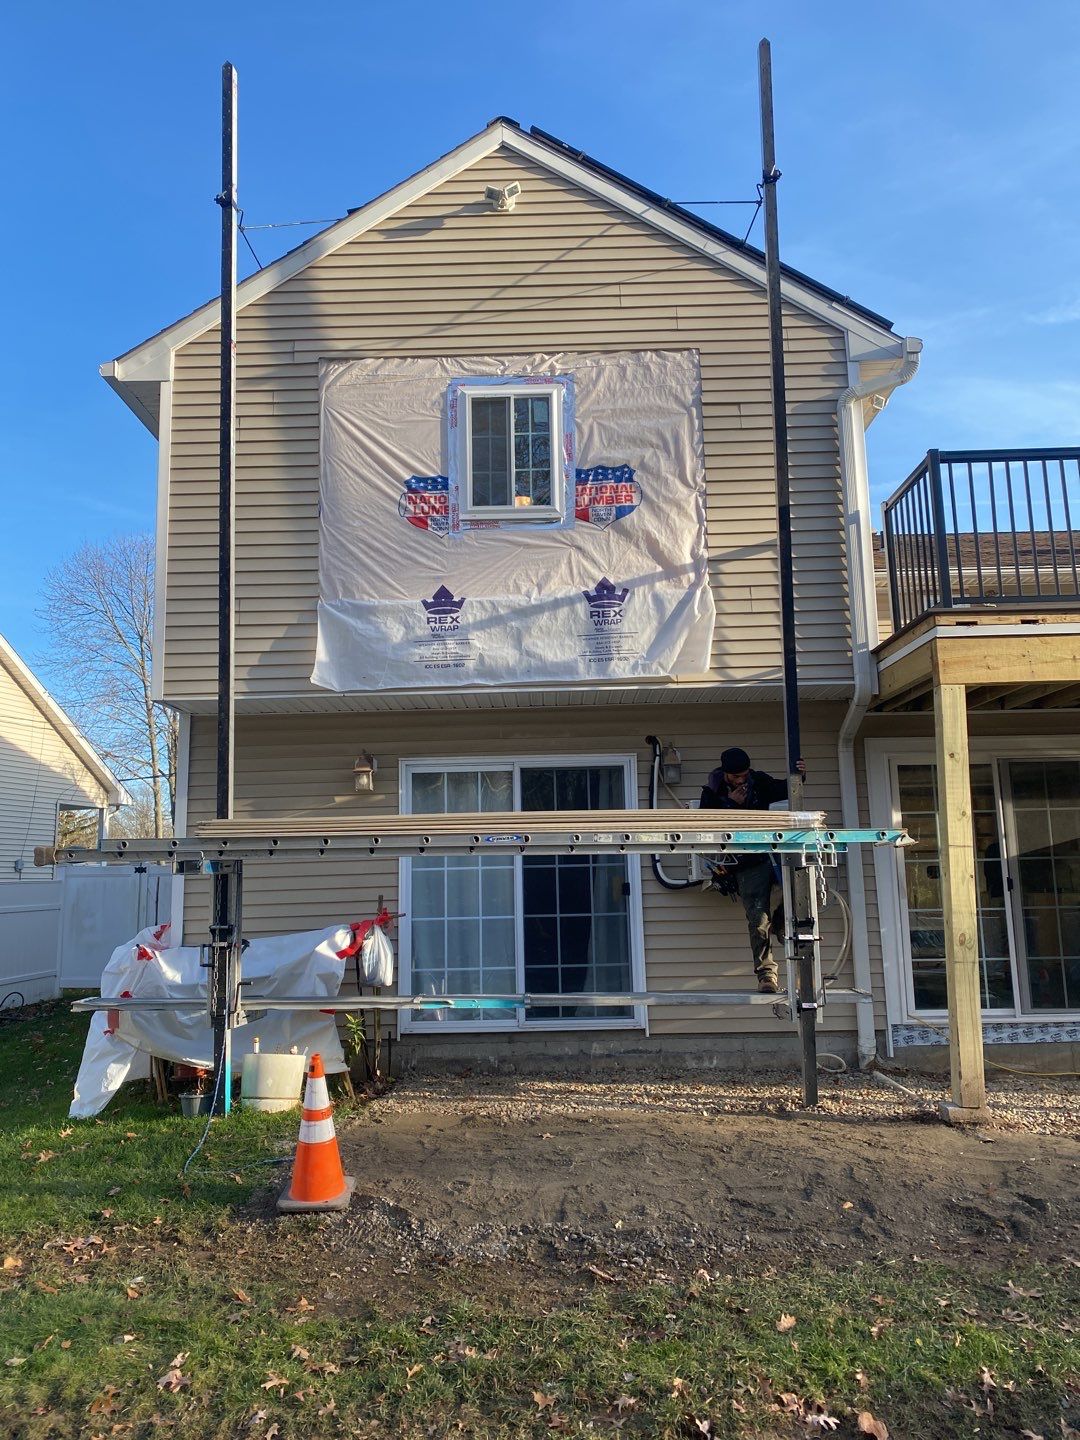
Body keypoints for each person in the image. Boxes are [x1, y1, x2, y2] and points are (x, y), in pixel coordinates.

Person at [699, 747, 806, 994]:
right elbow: (707, 824)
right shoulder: (711, 793)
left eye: (744, 775)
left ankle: (781, 925)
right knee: (758, 918)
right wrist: (730, 804)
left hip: (771, 852)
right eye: (736, 777)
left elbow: (784, 788)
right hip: (744, 860)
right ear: (726, 774)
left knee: (800, 891)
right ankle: (766, 974)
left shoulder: (758, 781)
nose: (741, 780)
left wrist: (798, 775)